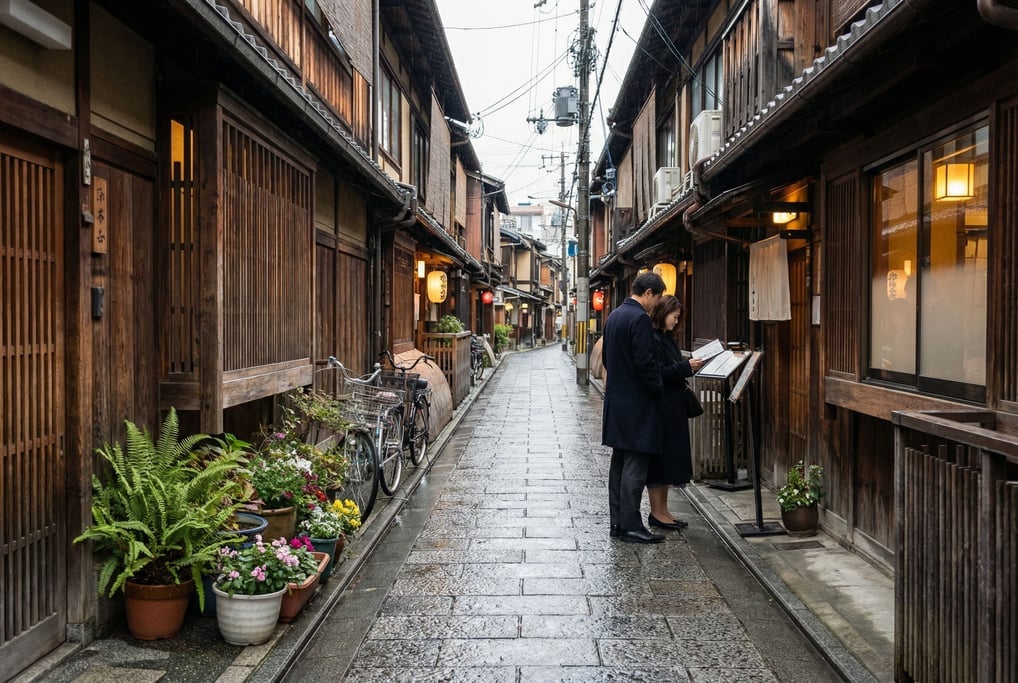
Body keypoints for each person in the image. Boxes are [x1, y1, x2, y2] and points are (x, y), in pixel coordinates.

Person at [601, 272, 667, 544]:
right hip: (638, 405)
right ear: (649, 292)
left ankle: (617, 522)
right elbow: (646, 364)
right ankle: (631, 526)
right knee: (635, 467)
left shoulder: (615, 315)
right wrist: (658, 390)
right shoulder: (639, 318)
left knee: (619, 463)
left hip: (617, 403)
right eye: (658, 297)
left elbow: (605, 358)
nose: (656, 304)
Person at [645, 295, 704, 531]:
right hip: (662, 407)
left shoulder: (668, 338)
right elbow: (659, 372)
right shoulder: (653, 338)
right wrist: (685, 367)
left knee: (670, 461)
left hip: (673, 406)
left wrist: (686, 365)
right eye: (674, 317)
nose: (676, 322)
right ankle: (656, 512)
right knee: (659, 461)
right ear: (663, 312)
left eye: (678, 318)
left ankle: (664, 510)